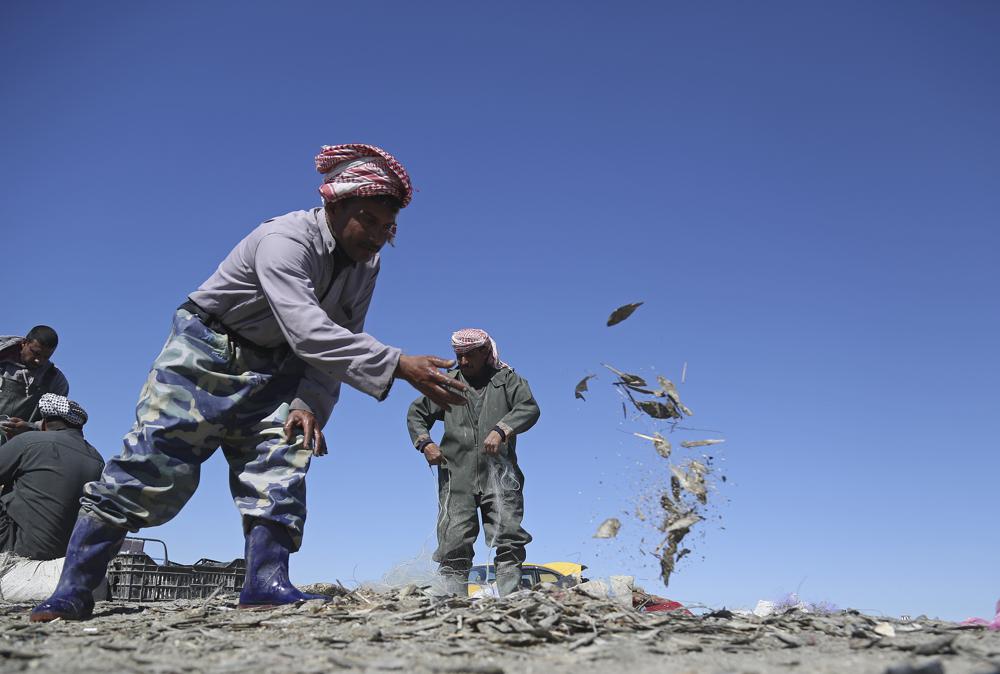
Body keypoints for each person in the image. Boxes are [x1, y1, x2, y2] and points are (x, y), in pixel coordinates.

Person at [30, 144, 467, 622]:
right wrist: (397, 364)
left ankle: (265, 582)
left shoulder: (366, 267)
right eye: (369, 219)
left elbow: (339, 337)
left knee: (283, 456)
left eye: (389, 228)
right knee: (152, 463)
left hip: (278, 368)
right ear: (334, 206)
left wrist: (309, 404)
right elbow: (309, 329)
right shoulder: (284, 240)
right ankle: (73, 588)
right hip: (207, 351)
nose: (379, 236)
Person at [406, 328, 540, 597]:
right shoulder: (448, 384)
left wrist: (502, 429)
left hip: (500, 475)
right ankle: (455, 606)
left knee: (509, 536)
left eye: (468, 356)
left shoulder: (508, 381)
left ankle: (510, 602)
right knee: (454, 541)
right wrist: (425, 442)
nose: (463, 362)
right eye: (458, 356)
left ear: (484, 352)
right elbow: (417, 413)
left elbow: (529, 408)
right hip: (457, 476)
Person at [0, 394, 104, 561]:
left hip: (15, 545)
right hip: (62, 553)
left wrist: (19, 440)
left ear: (45, 422)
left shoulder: (27, 442)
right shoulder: (97, 459)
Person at [0, 326, 70, 442]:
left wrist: (30, 427)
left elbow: (56, 422)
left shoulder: (55, 381)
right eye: (36, 353)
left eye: (46, 357)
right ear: (24, 343)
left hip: (17, 448)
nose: (39, 360)